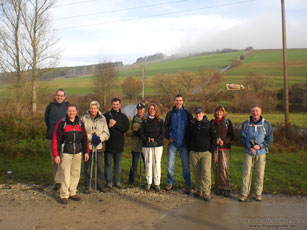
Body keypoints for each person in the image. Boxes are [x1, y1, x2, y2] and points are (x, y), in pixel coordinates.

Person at [52, 104, 89, 204]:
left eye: (73, 111)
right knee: (65, 173)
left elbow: (84, 138)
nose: (71, 113)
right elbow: (56, 139)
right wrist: (56, 154)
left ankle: (73, 192)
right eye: (69, 111)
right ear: (67, 112)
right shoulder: (62, 123)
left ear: (76, 112)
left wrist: (86, 152)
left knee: (76, 173)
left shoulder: (80, 123)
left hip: (77, 151)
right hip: (66, 152)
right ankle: (64, 194)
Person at [239, 105, 273, 202]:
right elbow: (241, 137)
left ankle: (258, 193)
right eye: (253, 111)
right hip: (248, 152)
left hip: (261, 153)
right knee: (246, 173)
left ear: (260, 112)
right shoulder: (246, 124)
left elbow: (270, 139)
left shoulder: (265, 124)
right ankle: (244, 193)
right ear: (251, 112)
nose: (255, 113)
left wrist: (260, 146)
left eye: (257, 111)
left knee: (259, 173)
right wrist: (249, 146)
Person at [165, 94, 193, 193]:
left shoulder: (188, 114)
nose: (178, 102)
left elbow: (192, 128)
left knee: (186, 166)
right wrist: (168, 137)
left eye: (180, 100)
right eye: (176, 100)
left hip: (184, 144)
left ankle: (188, 185)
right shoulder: (170, 114)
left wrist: (188, 139)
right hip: (173, 143)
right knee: (170, 165)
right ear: (174, 102)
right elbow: (166, 127)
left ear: (183, 101)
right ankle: (170, 183)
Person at [186, 107, 216, 201]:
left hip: (206, 152)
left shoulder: (209, 124)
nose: (198, 115)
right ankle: (199, 190)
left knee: (206, 173)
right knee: (196, 172)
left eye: (200, 113)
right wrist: (189, 149)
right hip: (194, 152)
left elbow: (214, 138)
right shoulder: (191, 124)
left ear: (203, 113)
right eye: (196, 113)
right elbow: (187, 137)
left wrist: (211, 150)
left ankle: (206, 193)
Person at [81, 101, 110, 193]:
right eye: (92, 108)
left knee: (99, 167)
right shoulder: (84, 118)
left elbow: (106, 132)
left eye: (95, 108)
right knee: (88, 167)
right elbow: (82, 132)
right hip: (88, 147)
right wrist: (91, 138)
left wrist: (99, 138)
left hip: (99, 146)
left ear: (98, 109)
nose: (93, 110)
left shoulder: (103, 119)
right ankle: (87, 185)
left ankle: (100, 184)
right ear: (89, 108)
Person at [44, 88, 69, 191]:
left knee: (65, 160)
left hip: (65, 138)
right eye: (58, 95)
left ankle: (65, 180)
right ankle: (57, 182)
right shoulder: (50, 107)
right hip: (52, 137)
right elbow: (46, 121)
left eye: (61, 96)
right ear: (55, 96)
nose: (59, 97)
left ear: (64, 97)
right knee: (55, 160)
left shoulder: (67, 106)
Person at [104, 98, 129, 189]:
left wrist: (115, 124)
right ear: (111, 104)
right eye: (114, 104)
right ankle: (109, 182)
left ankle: (117, 181)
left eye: (117, 104)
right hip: (108, 144)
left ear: (120, 105)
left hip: (119, 144)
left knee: (118, 164)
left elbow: (125, 128)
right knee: (108, 164)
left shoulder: (123, 117)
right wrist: (108, 125)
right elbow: (102, 128)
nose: (115, 106)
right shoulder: (105, 116)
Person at [139, 103, 165, 192]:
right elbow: (141, 132)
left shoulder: (160, 121)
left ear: (156, 110)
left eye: (153, 109)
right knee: (148, 163)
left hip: (157, 146)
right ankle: (148, 182)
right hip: (146, 145)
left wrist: (157, 141)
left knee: (157, 163)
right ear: (148, 110)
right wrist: (146, 140)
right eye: (150, 109)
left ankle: (157, 183)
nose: (152, 110)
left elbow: (163, 133)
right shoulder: (144, 121)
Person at [210, 105, 234, 197]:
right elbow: (210, 135)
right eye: (217, 111)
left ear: (223, 113)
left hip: (224, 149)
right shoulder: (212, 122)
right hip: (215, 149)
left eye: (221, 111)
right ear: (215, 112)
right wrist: (215, 140)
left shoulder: (227, 122)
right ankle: (218, 187)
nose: (219, 113)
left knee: (224, 168)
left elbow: (231, 135)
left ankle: (226, 187)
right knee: (216, 168)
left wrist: (224, 141)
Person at [128, 103, 145, 185]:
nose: (140, 110)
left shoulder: (147, 119)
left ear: (144, 110)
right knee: (134, 165)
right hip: (135, 145)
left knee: (147, 164)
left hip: (145, 145)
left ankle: (148, 181)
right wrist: (134, 133)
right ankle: (131, 181)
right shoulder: (133, 119)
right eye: (138, 109)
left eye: (141, 109)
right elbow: (128, 131)